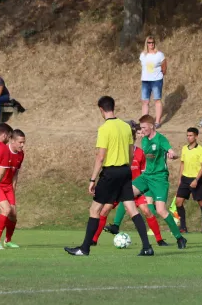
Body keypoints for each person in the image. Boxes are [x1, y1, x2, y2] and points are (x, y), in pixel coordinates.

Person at [64, 96, 154, 256]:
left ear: (101, 109)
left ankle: (84, 249)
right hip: (125, 172)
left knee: (95, 209)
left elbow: (100, 157)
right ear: (114, 107)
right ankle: (147, 247)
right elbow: (131, 153)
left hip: (110, 173)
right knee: (132, 209)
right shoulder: (126, 127)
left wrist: (92, 179)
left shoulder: (104, 129)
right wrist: (126, 168)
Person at [97, 124, 168, 246]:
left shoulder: (140, 153)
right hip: (119, 188)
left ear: (133, 139)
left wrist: (144, 189)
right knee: (104, 210)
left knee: (147, 211)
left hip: (137, 189)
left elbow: (145, 173)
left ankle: (159, 240)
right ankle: (93, 240)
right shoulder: (118, 153)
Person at [132, 114, 188, 249]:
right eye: (141, 128)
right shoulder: (144, 140)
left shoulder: (161, 139)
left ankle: (179, 238)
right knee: (126, 193)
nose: (142, 130)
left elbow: (172, 152)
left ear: (152, 126)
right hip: (146, 177)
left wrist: (172, 154)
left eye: (144, 127)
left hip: (159, 179)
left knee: (161, 210)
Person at [0, 129, 25, 248]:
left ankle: (7, 241)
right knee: (6, 210)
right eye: (20, 142)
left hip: (8, 187)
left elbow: (15, 172)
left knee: (13, 214)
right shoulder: (2, 150)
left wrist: (14, 187)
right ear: (12, 140)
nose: (22, 145)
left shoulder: (21, 154)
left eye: (24, 142)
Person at [175, 127, 202, 233]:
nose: (188, 137)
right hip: (185, 179)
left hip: (196, 179)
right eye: (187, 135)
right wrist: (180, 178)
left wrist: (196, 179)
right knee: (178, 203)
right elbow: (182, 163)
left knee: (201, 202)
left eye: (191, 135)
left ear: (196, 136)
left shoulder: (201, 150)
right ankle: (183, 227)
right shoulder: (184, 148)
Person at [140, 36, 167, 128]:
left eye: (152, 42)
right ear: (146, 43)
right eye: (149, 42)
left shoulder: (159, 54)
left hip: (156, 81)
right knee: (145, 101)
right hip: (145, 81)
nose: (151, 44)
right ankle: (144, 121)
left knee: (157, 100)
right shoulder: (143, 55)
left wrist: (161, 74)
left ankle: (157, 121)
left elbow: (164, 65)